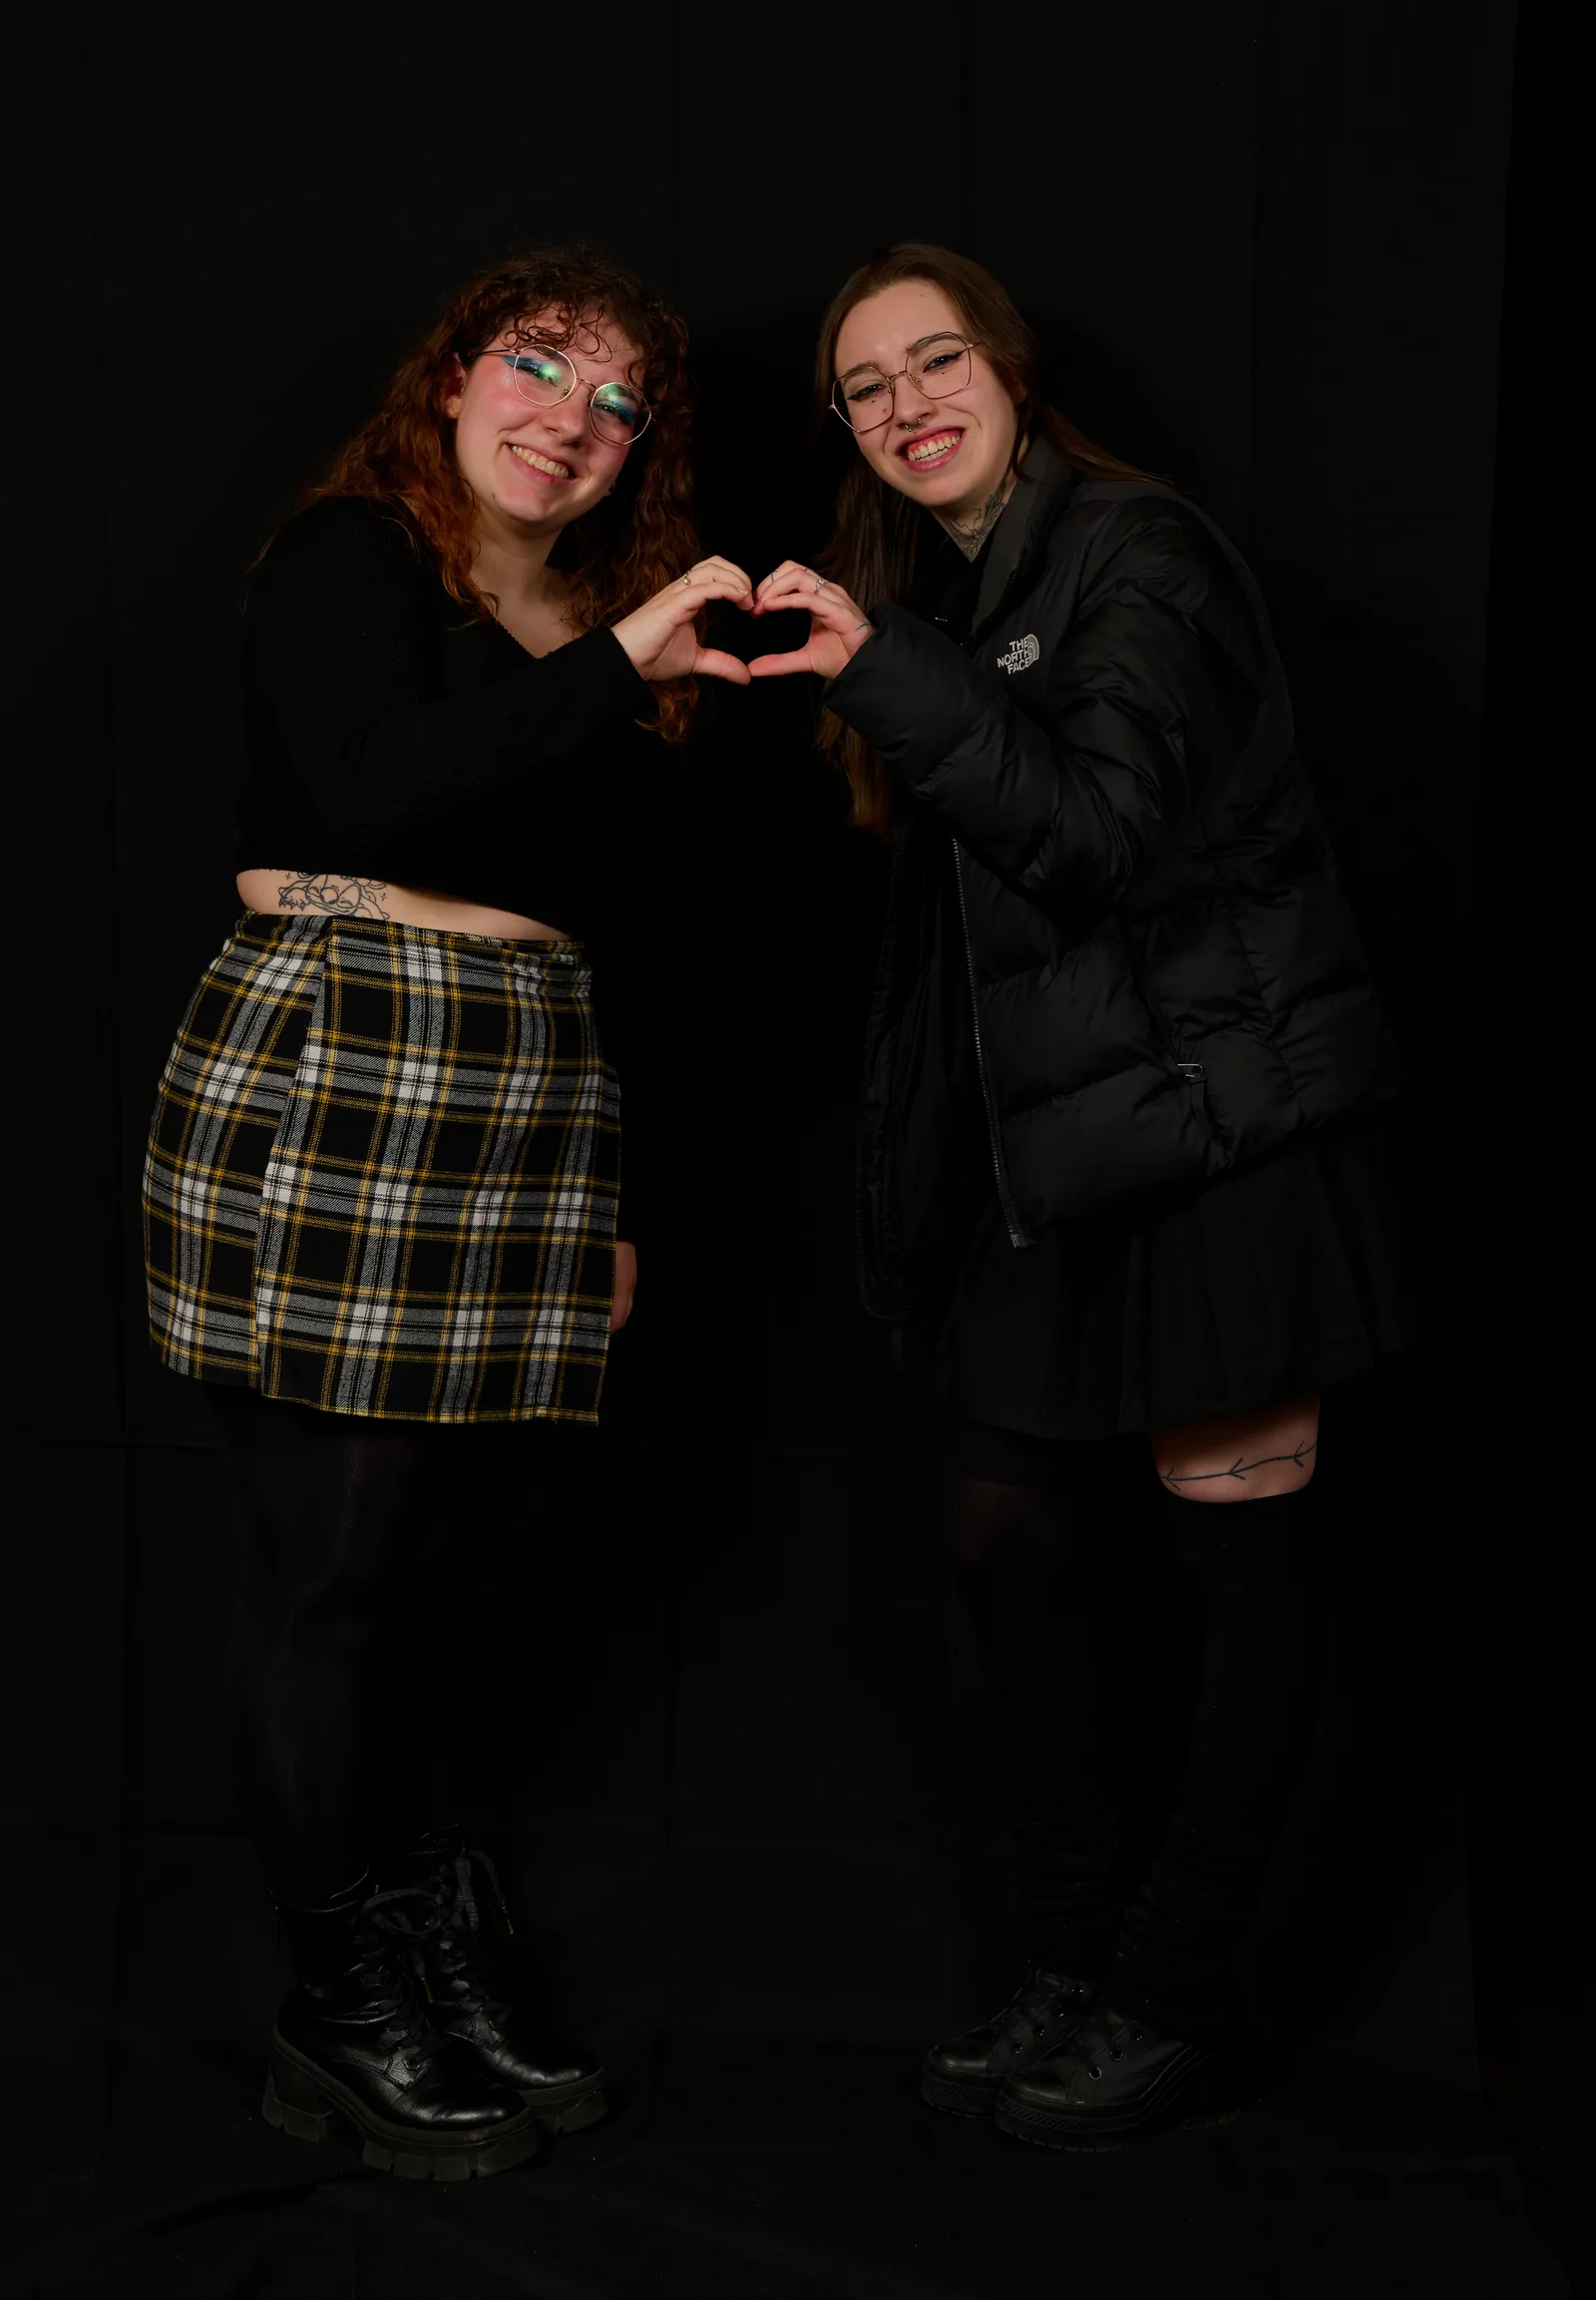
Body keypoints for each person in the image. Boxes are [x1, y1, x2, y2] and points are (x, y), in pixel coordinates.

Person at [749, 243, 1409, 2149]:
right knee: (1003, 1537)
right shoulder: (951, 590)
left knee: (1237, 1574)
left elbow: (1099, 831)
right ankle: (1070, 1961)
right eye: (867, 386)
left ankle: (1167, 1992)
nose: (907, 404)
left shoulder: (1140, 551)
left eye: (936, 358)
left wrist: (885, 669)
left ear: (1013, 371)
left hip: (1221, 1139)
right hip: (1064, 1161)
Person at [141, 246, 753, 2180]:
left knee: (435, 1577)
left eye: (618, 401)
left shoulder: (597, 633)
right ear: (455, 372)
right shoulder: (355, 554)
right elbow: (374, 787)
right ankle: (336, 2002)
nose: (570, 416)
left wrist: (614, 1199)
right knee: (325, 1570)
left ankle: (420, 1943)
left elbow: (626, 934)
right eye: (538, 363)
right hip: (348, 1053)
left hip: (532, 1099)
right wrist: (621, 665)